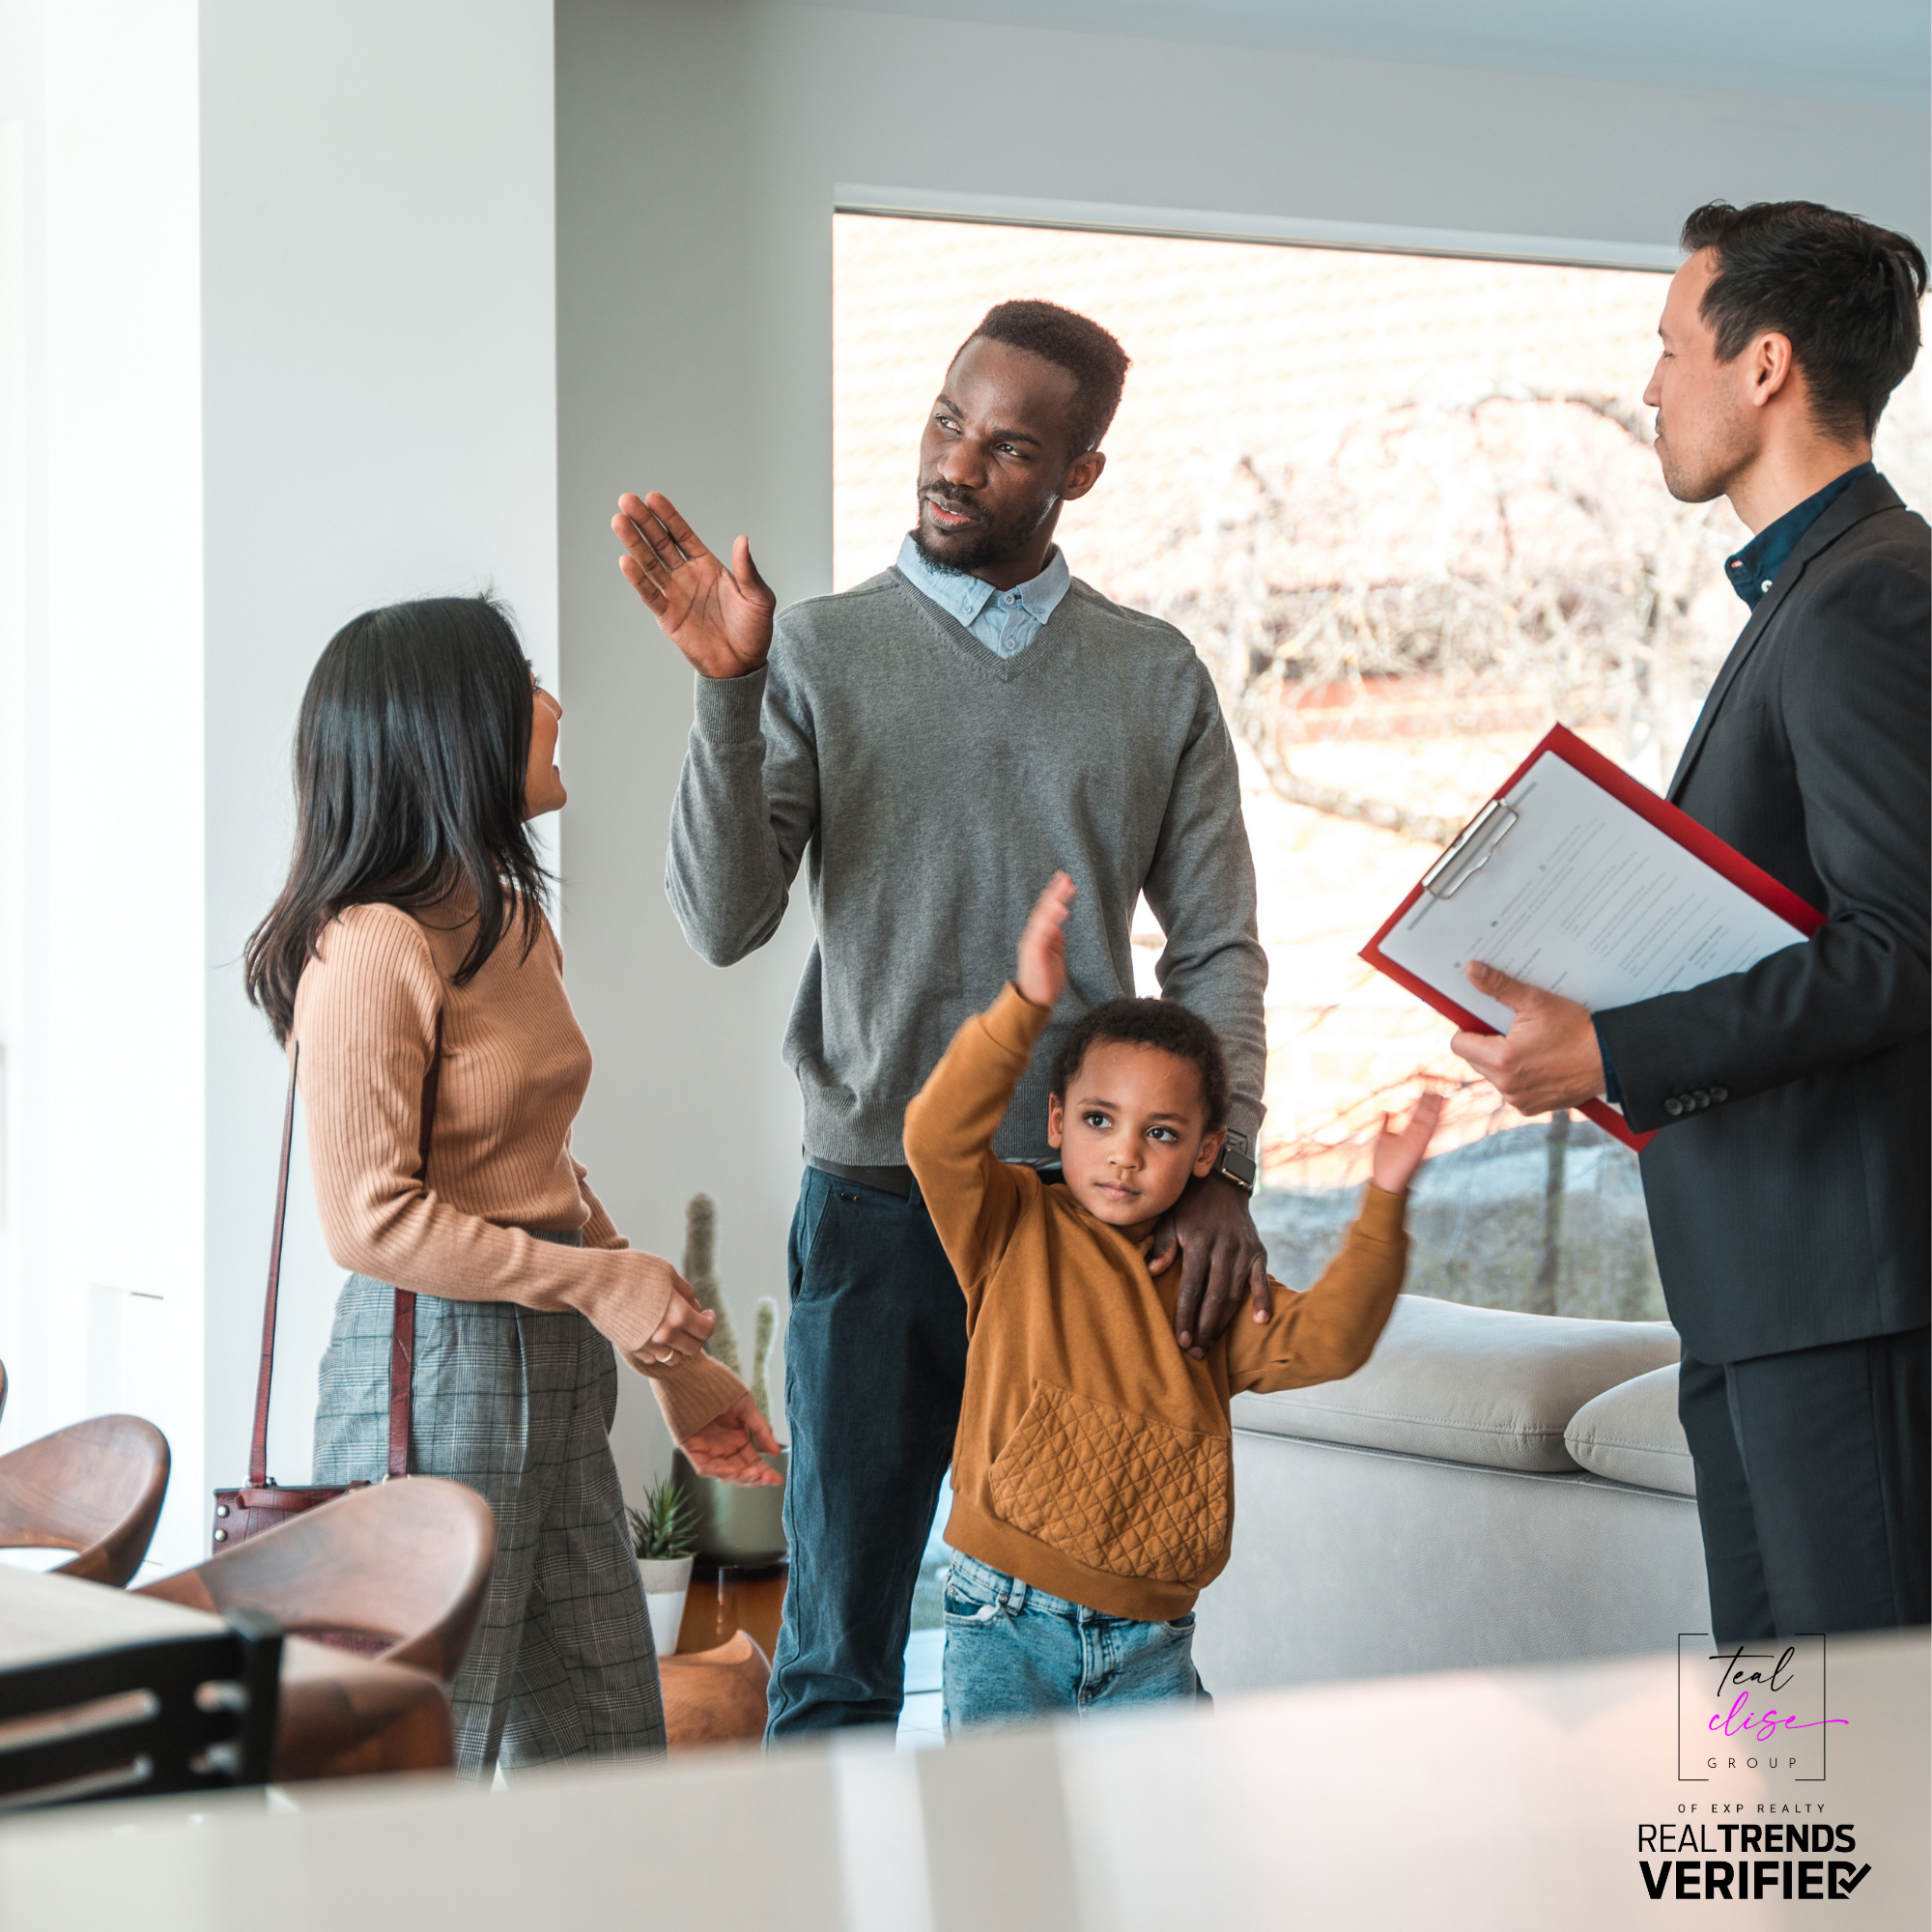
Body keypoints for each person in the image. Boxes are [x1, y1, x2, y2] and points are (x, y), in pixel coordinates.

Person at [615, 300, 1272, 1737]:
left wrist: (1219, 1170)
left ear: (1078, 476)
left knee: (1085, 1638)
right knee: (840, 1645)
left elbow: (1217, 944)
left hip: (1091, 1221)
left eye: (1009, 446)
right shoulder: (821, 650)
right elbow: (721, 918)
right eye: (945, 423)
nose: (957, 465)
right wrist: (728, 696)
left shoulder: (1153, 674)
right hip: (875, 1205)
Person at [1451, 201, 1929, 1639]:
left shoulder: (1868, 606)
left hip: (1845, 1297)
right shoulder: (1817, 594)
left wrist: (1615, 1046)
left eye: (1670, 347)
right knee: (1791, 1752)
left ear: (1765, 363)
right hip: (1769, 1291)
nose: (1652, 384)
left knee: (1875, 1759)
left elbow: (1904, 950)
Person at [243, 595, 781, 1777]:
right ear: (449, 729)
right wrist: (592, 1283)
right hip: (427, 1366)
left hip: (551, 1361)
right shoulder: (370, 943)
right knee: (417, 1771)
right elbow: (366, 1217)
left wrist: (679, 1368)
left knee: (601, 1756)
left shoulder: (508, 919)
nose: (552, 704)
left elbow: (541, 1172)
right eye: (523, 682)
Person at [902, 873, 1438, 1730]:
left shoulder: (1209, 1281)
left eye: (1159, 1133)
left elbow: (1331, 1341)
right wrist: (1024, 1005)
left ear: (1203, 1153)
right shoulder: (1008, 1223)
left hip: (1151, 1642)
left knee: (1170, 1853)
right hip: (1002, 1615)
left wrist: (1383, 1202)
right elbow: (933, 1135)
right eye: (1099, 1121)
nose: (1123, 1156)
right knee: (1002, 1848)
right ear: (1055, 1121)